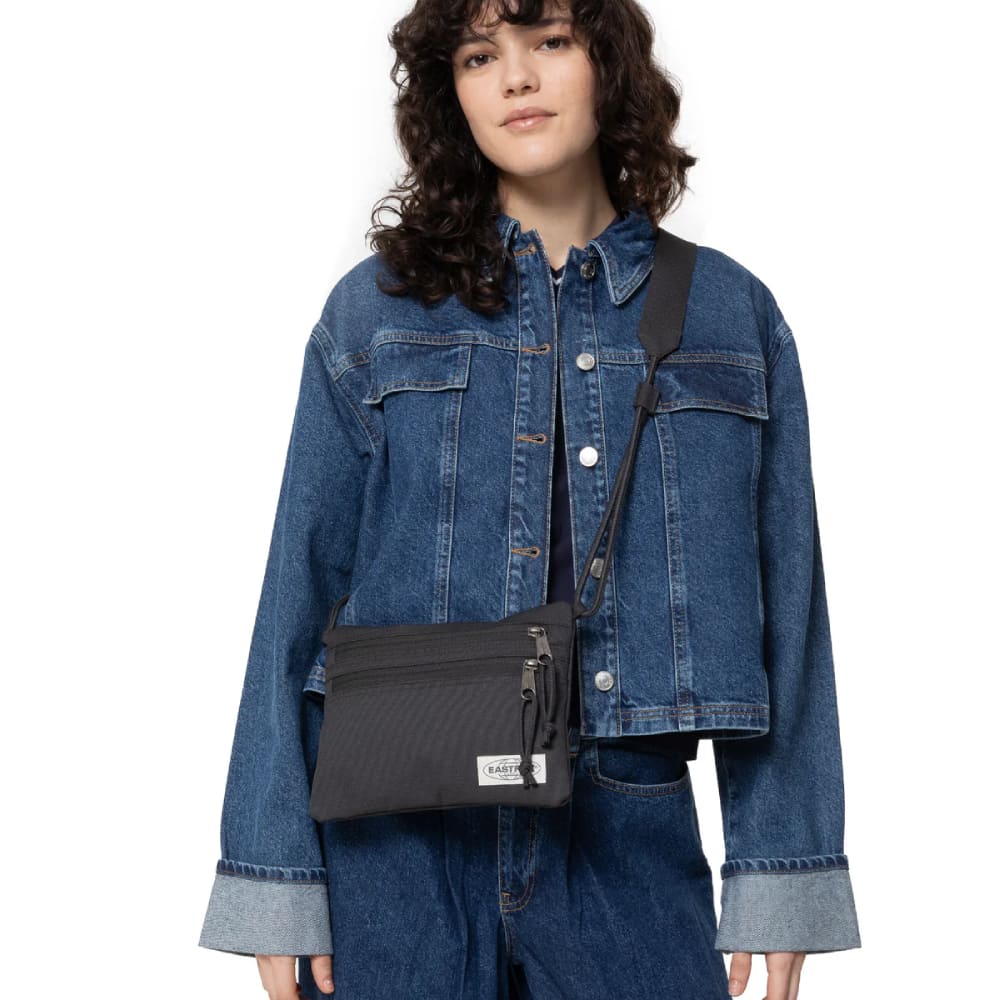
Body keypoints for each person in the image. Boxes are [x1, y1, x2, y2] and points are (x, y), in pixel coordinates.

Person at [197, 1, 862, 997]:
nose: (515, 77)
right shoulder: (375, 314)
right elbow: (297, 593)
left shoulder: (730, 314)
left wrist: (782, 870)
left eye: (548, 41)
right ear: (451, 94)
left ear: (609, 63)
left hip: (629, 832)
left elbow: (790, 606)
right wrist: (273, 875)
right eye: (478, 56)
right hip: (400, 843)